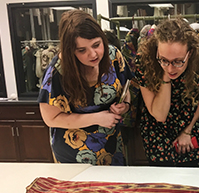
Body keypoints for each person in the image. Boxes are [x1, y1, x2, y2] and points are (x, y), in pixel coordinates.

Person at [38, 10, 132, 165]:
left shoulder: (113, 55)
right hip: (74, 155)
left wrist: (125, 105)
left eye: (97, 45)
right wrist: (96, 118)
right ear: (70, 51)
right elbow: (51, 118)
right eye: (82, 50)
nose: (93, 54)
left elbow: (126, 88)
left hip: (112, 148)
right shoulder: (57, 73)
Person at [135, 18, 199, 167]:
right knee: (162, 185)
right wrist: (165, 74)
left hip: (191, 127)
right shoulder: (145, 61)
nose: (171, 68)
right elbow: (159, 115)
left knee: (191, 182)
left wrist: (188, 130)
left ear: (190, 53)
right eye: (164, 59)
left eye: (178, 61)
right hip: (157, 132)